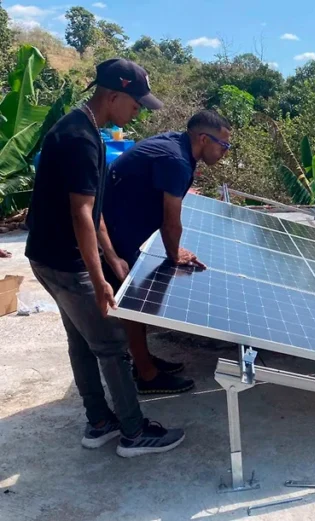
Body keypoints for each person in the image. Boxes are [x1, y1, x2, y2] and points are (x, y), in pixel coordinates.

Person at [25, 57, 185, 457]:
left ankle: (99, 423)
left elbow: (91, 211)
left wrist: (112, 257)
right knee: (112, 345)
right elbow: (80, 214)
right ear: (113, 95)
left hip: (45, 257)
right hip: (66, 262)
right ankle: (133, 433)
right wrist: (99, 282)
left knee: (81, 343)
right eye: (135, 104)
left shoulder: (83, 128)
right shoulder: (80, 139)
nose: (137, 112)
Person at [101, 110, 232, 394]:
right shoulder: (176, 160)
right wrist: (175, 255)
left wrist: (173, 250)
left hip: (121, 231)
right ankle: (147, 376)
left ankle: (143, 360)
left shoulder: (176, 147)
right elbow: (171, 221)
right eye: (223, 144)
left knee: (140, 301)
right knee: (133, 306)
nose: (224, 151)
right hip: (111, 238)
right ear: (202, 138)